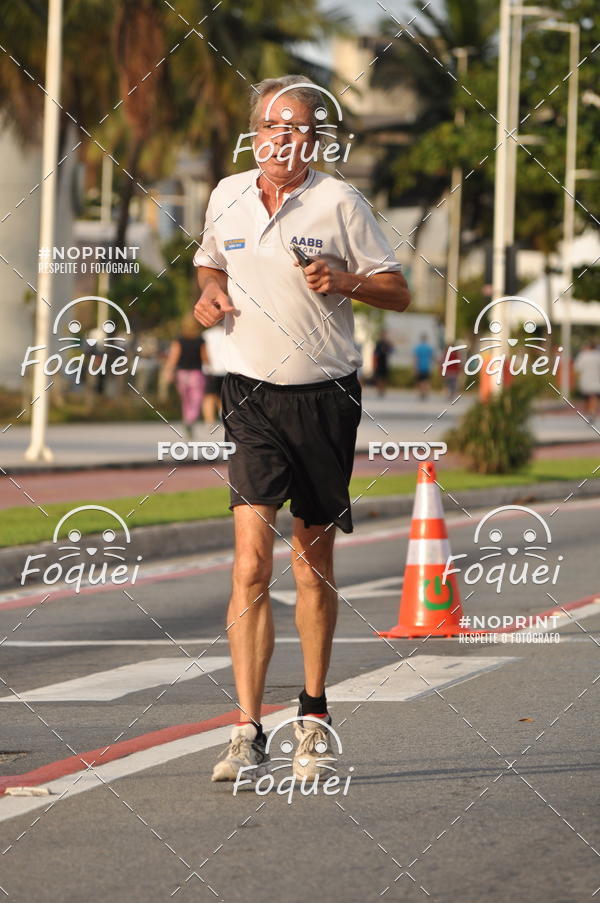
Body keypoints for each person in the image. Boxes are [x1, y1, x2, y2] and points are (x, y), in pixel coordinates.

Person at [192, 75, 410, 783]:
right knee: (249, 562)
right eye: (271, 125)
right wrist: (209, 293)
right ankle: (246, 728)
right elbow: (209, 261)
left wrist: (344, 281)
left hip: (324, 397)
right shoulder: (226, 194)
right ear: (254, 132)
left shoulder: (340, 201)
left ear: (314, 140)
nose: (282, 138)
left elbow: (398, 289)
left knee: (310, 564)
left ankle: (313, 714)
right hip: (249, 395)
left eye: (297, 128)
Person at [163, 312, 207, 438]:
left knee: (186, 400)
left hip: (182, 374)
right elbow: (205, 358)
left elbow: (173, 358)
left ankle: (187, 419)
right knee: (196, 399)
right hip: (196, 373)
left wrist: (168, 371)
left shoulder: (179, 340)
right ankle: (190, 419)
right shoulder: (200, 340)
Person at [201, 323, 227, 424]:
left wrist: (207, 365)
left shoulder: (206, 334)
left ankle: (209, 420)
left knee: (209, 395)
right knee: (223, 396)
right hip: (226, 370)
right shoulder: (229, 333)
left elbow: (203, 352)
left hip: (211, 370)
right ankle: (223, 416)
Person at [574, 340, 600, 422]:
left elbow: (577, 368)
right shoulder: (598, 355)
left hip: (585, 379)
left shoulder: (583, 355)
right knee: (594, 396)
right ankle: (592, 412)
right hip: (596, 379)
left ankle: (589, 412)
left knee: (588, 397)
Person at [413, 334, 434, 399]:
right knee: (427, 381)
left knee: (420, 381)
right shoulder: (429, 348)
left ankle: (422, 393)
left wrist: (415, 368)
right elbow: (431, 358)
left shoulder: (418, 348)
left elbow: (416, 358)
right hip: (427, 366)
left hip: (420, 366)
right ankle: (426, 392)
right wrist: (432, 367)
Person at [373, 331, 394, 396]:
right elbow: (375, 353)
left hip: (385, 362)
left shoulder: (387, 343)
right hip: (379, 362)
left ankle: (383, 390)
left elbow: (391, 350)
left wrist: (390, 345)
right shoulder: (378, 343)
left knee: (384, 377)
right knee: (379, 377)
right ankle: (379, 390)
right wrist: (375, 363)